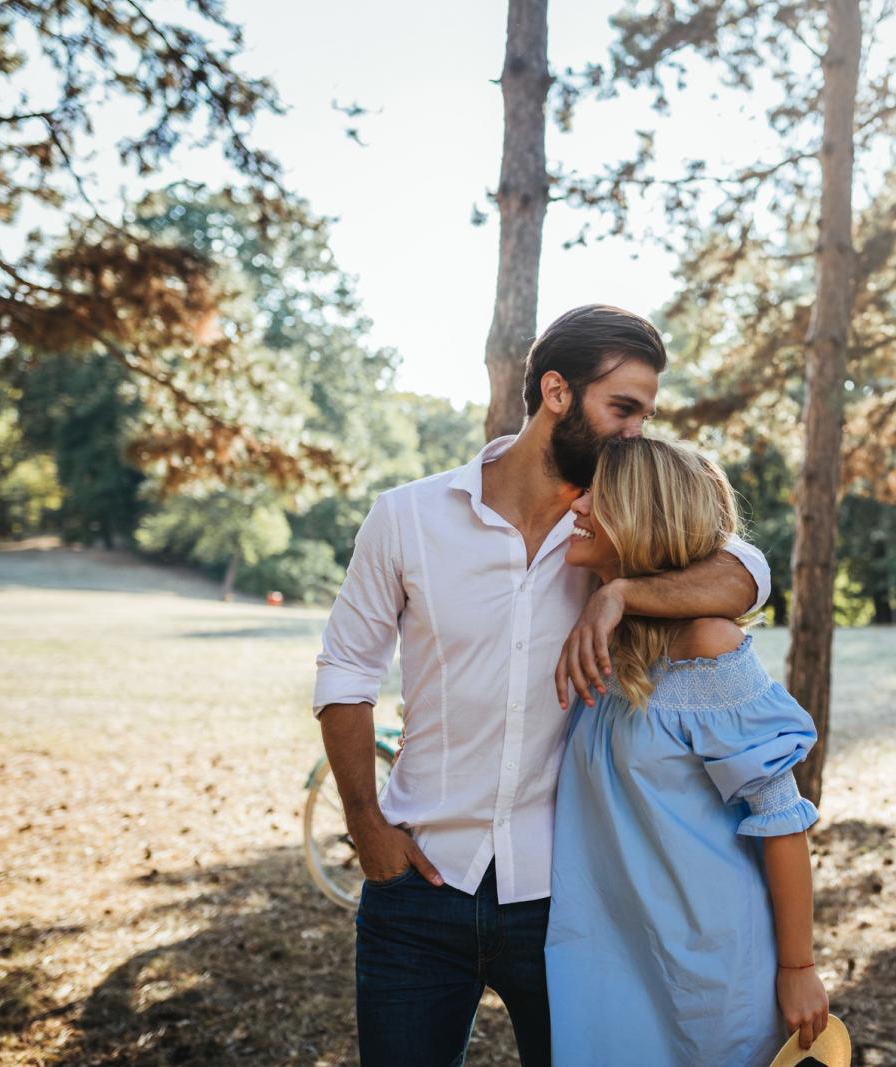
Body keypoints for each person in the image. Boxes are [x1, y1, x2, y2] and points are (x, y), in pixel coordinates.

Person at [312, 305, 772, 1067]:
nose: (635, 433)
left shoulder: (612, 534)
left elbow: (748, 572)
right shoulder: (408, 518)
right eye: (621, 408)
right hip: (417, 889)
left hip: (571, 899)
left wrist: (621, 594)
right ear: (556, 391)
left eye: (646, 415)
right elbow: (346, 671)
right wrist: (367, 825)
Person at [546, 437, 828, 1066]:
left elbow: (781, 819)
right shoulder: (601, 634)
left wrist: (798, 966)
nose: (580, 501)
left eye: (600, 493)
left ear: (644, 515)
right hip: (604, 956)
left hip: (708, 970)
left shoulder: (708, 642)